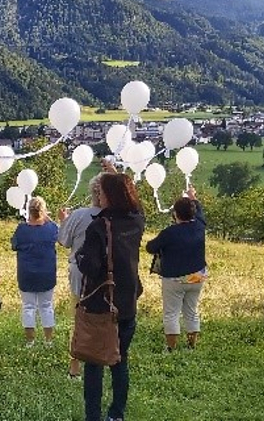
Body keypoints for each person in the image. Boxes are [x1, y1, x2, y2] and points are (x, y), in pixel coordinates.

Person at [76, 173, 145, 421]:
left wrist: (80, 257)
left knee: (94, 364)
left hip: (101, 304)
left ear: (110, 196)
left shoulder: (99, 226)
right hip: (127, 302)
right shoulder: (137, 222)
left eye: (103, 193)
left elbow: (91, 267)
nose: (99, 197)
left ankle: (92, 416)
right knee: (120, 360)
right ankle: (117, 414)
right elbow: (140, 207)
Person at [146, 186, 207, 351]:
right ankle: (191, 346)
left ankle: (171, 348)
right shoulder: (200, 226)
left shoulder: (170, 233)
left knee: (171, 313)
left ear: (175, 214)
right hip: (198, 275)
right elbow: (199, 211)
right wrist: (193, 197)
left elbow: (150, 247)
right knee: (191, 310)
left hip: (174, 278)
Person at [57, 173, 107, 378]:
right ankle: (102, 358)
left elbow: (63, 241)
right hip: (106, 274)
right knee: (104, 318)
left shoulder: (79, 215)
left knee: (79, 317)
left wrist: (64, 222)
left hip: (80, 271)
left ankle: (75, 366)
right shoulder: (115, 217)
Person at [11, 196, 58, 347]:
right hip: (47, 273)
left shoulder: (22, 229)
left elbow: (14, 245)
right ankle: (48, 340)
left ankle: (30, 341)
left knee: (28, 306)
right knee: (46, 306)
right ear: (44, 211)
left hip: (27, 273)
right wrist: (48, 218)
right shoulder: (51, 228)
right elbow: (59, 234)